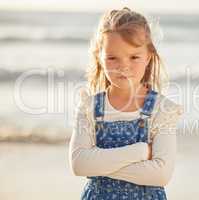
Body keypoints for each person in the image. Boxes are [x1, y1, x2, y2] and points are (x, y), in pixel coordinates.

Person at [68, 7, 184, 199]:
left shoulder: (162, 110)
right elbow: (79, 164)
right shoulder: (89, 107)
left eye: (134, 57)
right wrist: (138, 152)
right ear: (100, 58)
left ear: (149, 56)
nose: (123, 66)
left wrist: (98, 164)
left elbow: (161, 174)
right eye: (112, 58)